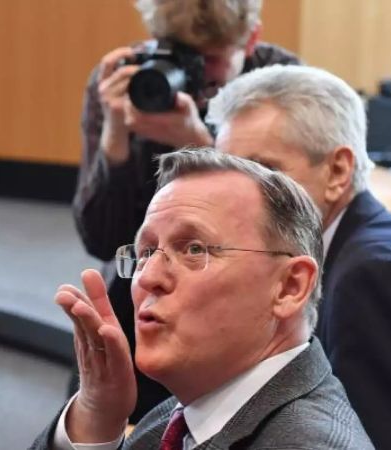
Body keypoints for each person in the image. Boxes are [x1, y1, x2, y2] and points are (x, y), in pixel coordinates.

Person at [34, 149, 373, 449]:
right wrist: (96, 415)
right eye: (146, 251)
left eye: (194, 249)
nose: (148, 277)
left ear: (289, 287)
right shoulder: (184, 412)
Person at [209, 64, 391, 449]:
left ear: (337, 171)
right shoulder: (361, 248)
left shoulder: (373, 278)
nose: (234, 197)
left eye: (265, 172)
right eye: (226, 174)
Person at [73, 0, 299, 421]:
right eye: (179, 52)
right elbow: (100, 239)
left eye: (210, 59)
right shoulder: (132, 80)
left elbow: (293, 226)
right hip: (140, 289)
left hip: (240, 303)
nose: (194, 73)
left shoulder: (279, 84)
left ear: (251, 39)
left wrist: (204, 148)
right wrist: (115, 141)